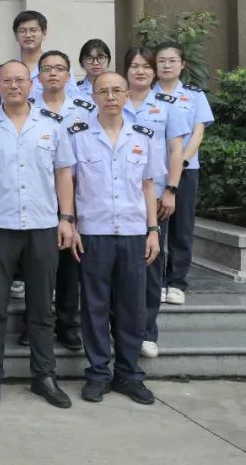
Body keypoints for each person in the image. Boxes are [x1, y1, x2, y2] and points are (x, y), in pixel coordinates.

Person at [0, 60, 77, 409]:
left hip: (42, 225)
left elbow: (63, 173)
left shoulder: (52, 125)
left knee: (41, 306)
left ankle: (44, 376)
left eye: (20, 80)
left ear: (32, 83)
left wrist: (66, 218)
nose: (14, 86)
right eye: (7, 81)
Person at [70, 71, 164, 405]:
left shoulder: (144, 136)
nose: (110, 97)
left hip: (133, 232)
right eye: (103, 91)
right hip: (93, 233)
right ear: (93, 97)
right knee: (94, 306)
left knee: (132, 308)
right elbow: (69, 184)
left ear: (127, 96)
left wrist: (153, 230)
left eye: (116, 91)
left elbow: (148, 185)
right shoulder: (78, 137)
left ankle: (128, 374)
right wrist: (71, 225)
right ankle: (98, 374)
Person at [15, 50, 95, 352]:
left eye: (59, 68)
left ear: (68, 75)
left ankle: (67, 323)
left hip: (77, 191)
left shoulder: (85, 109)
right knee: (36, 265)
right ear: (38, 77)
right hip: (36, 193)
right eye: (46, 69)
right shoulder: (27, 108)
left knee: (70, 261)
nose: (52, 73)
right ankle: (33, 322)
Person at [121, 47, 188, 360]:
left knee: (150, 265)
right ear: (126, 70)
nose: (140, 71)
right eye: (134, 66)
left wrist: (171, 189)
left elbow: (176, 151)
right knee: (118, 268)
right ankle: (118, 330)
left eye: (146, 66)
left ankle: (147, 333)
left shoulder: (167, 107)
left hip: (155, 197)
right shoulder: (113, 101)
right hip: (117, 198)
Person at [154, 42, 214, 306]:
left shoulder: (194, 95)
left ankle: (176, 282)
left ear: (183, 65)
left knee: (182, 227)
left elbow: (198, 132)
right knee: (155, 225)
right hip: (155, 172)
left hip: (187, 170)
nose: (167, 65)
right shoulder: (147, 94)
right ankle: (155, 281)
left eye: (172, 61)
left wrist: (183, 160)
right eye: (161, 61)